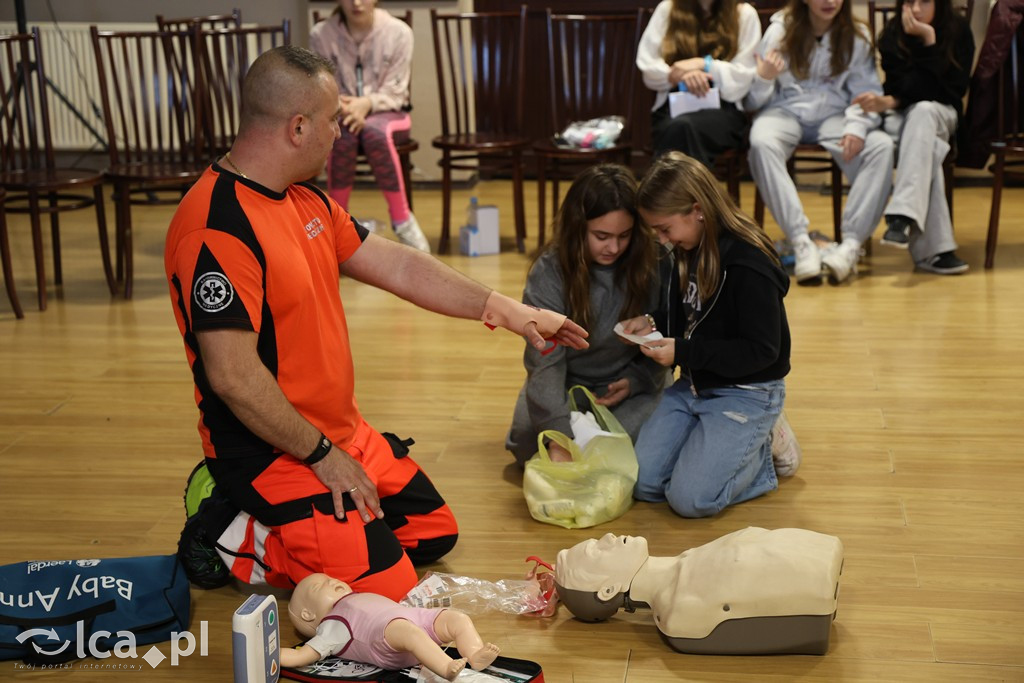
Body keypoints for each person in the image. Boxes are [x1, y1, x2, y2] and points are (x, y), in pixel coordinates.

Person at [164, 46, 588, 601]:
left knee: (432, 531)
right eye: (332, 121)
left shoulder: (302, 198)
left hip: (341, 431)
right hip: (273, 452)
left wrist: (510, 310)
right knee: (389, 585)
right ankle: (226, 526)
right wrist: (323, 457)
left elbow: (396, 263)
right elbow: (234, 379)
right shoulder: (215, 227)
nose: (340, 135)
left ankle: (315, 528)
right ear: (297, 127)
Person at [620, 152, 796, 519]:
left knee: (691, 501)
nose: (661, 239)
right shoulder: (686, 249)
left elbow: (763, 351)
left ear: (697, 210)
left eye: (664, 228)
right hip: (697, 385)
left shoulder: (749, 263)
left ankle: (766, 446)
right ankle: (722, 446)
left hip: (748, 392)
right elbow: (694, 314)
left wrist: (683, 352)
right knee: (645, 484)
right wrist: (653, 322)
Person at [506, 164, 670, 466]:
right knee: (526, 442)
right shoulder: (550, 271)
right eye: (602, 235)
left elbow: (667, 335)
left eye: (625, 235)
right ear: (577, 227)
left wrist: (637, 380)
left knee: (620, 449)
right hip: (565, 380)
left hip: (627, 384)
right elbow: (544, 362)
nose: (614, 247)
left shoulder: (653, 259)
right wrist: (557, 435)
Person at [746, 0, 894, 285]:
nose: (830, 2)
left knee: (881, 147)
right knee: (761, 142)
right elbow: (754, 100)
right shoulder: (780, 30)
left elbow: (867, 95)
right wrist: (764, 79)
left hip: (835, 113)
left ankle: (850, 246)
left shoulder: (857, 36)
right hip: (784, 110)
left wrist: (856, 126)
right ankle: (801, 242)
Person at [553, 529, 844, 655]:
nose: (607, 537)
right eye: (597, 551)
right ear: (608, 590)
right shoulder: (680, 614)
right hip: (815, 579)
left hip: (817, 557)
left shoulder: (688, 563)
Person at [852, 0, 974, 274]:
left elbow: (950, 91)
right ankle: (934, 251)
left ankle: (903, 213)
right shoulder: (893, 34)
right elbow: (900, 87)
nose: (916, 9)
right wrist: (895, 100)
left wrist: (929, 41)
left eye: (925, 1)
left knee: (924, 111)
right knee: (927, 147)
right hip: (901, 115)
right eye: (909, 1)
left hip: (942, 113)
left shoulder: (959, 31)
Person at [309, 0, 430, 252]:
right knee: (342, 134)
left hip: (389, 112)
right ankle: (336, 222)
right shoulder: (321, 34)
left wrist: (367, 103)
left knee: (374, 132)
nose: (356, 2)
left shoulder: (399, 32)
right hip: (341, 111)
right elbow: (321, 87)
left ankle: (402, 221)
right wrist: (348, 106)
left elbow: (396, 92)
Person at [281, 572, 499, 679]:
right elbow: (300, 656)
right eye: (319, 586)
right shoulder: (331, 625)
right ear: (308, 614)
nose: (331, 581)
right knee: (410, 633)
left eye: (329, 578)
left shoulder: (356, 596)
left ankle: (473, 654)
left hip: (410, 618)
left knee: (456, 619)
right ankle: (444, 667)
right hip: (388, 641)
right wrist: (266, 651)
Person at [636, 0, 762, 167]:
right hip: (671, 109)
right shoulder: (668, 8)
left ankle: (672, 192)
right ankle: (694, 192)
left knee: (682, 129)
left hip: (723, 111)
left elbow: (743, 78)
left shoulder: (744, 14)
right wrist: (680, 74)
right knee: (679, 128)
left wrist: (705, 65)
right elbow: (648, 70)